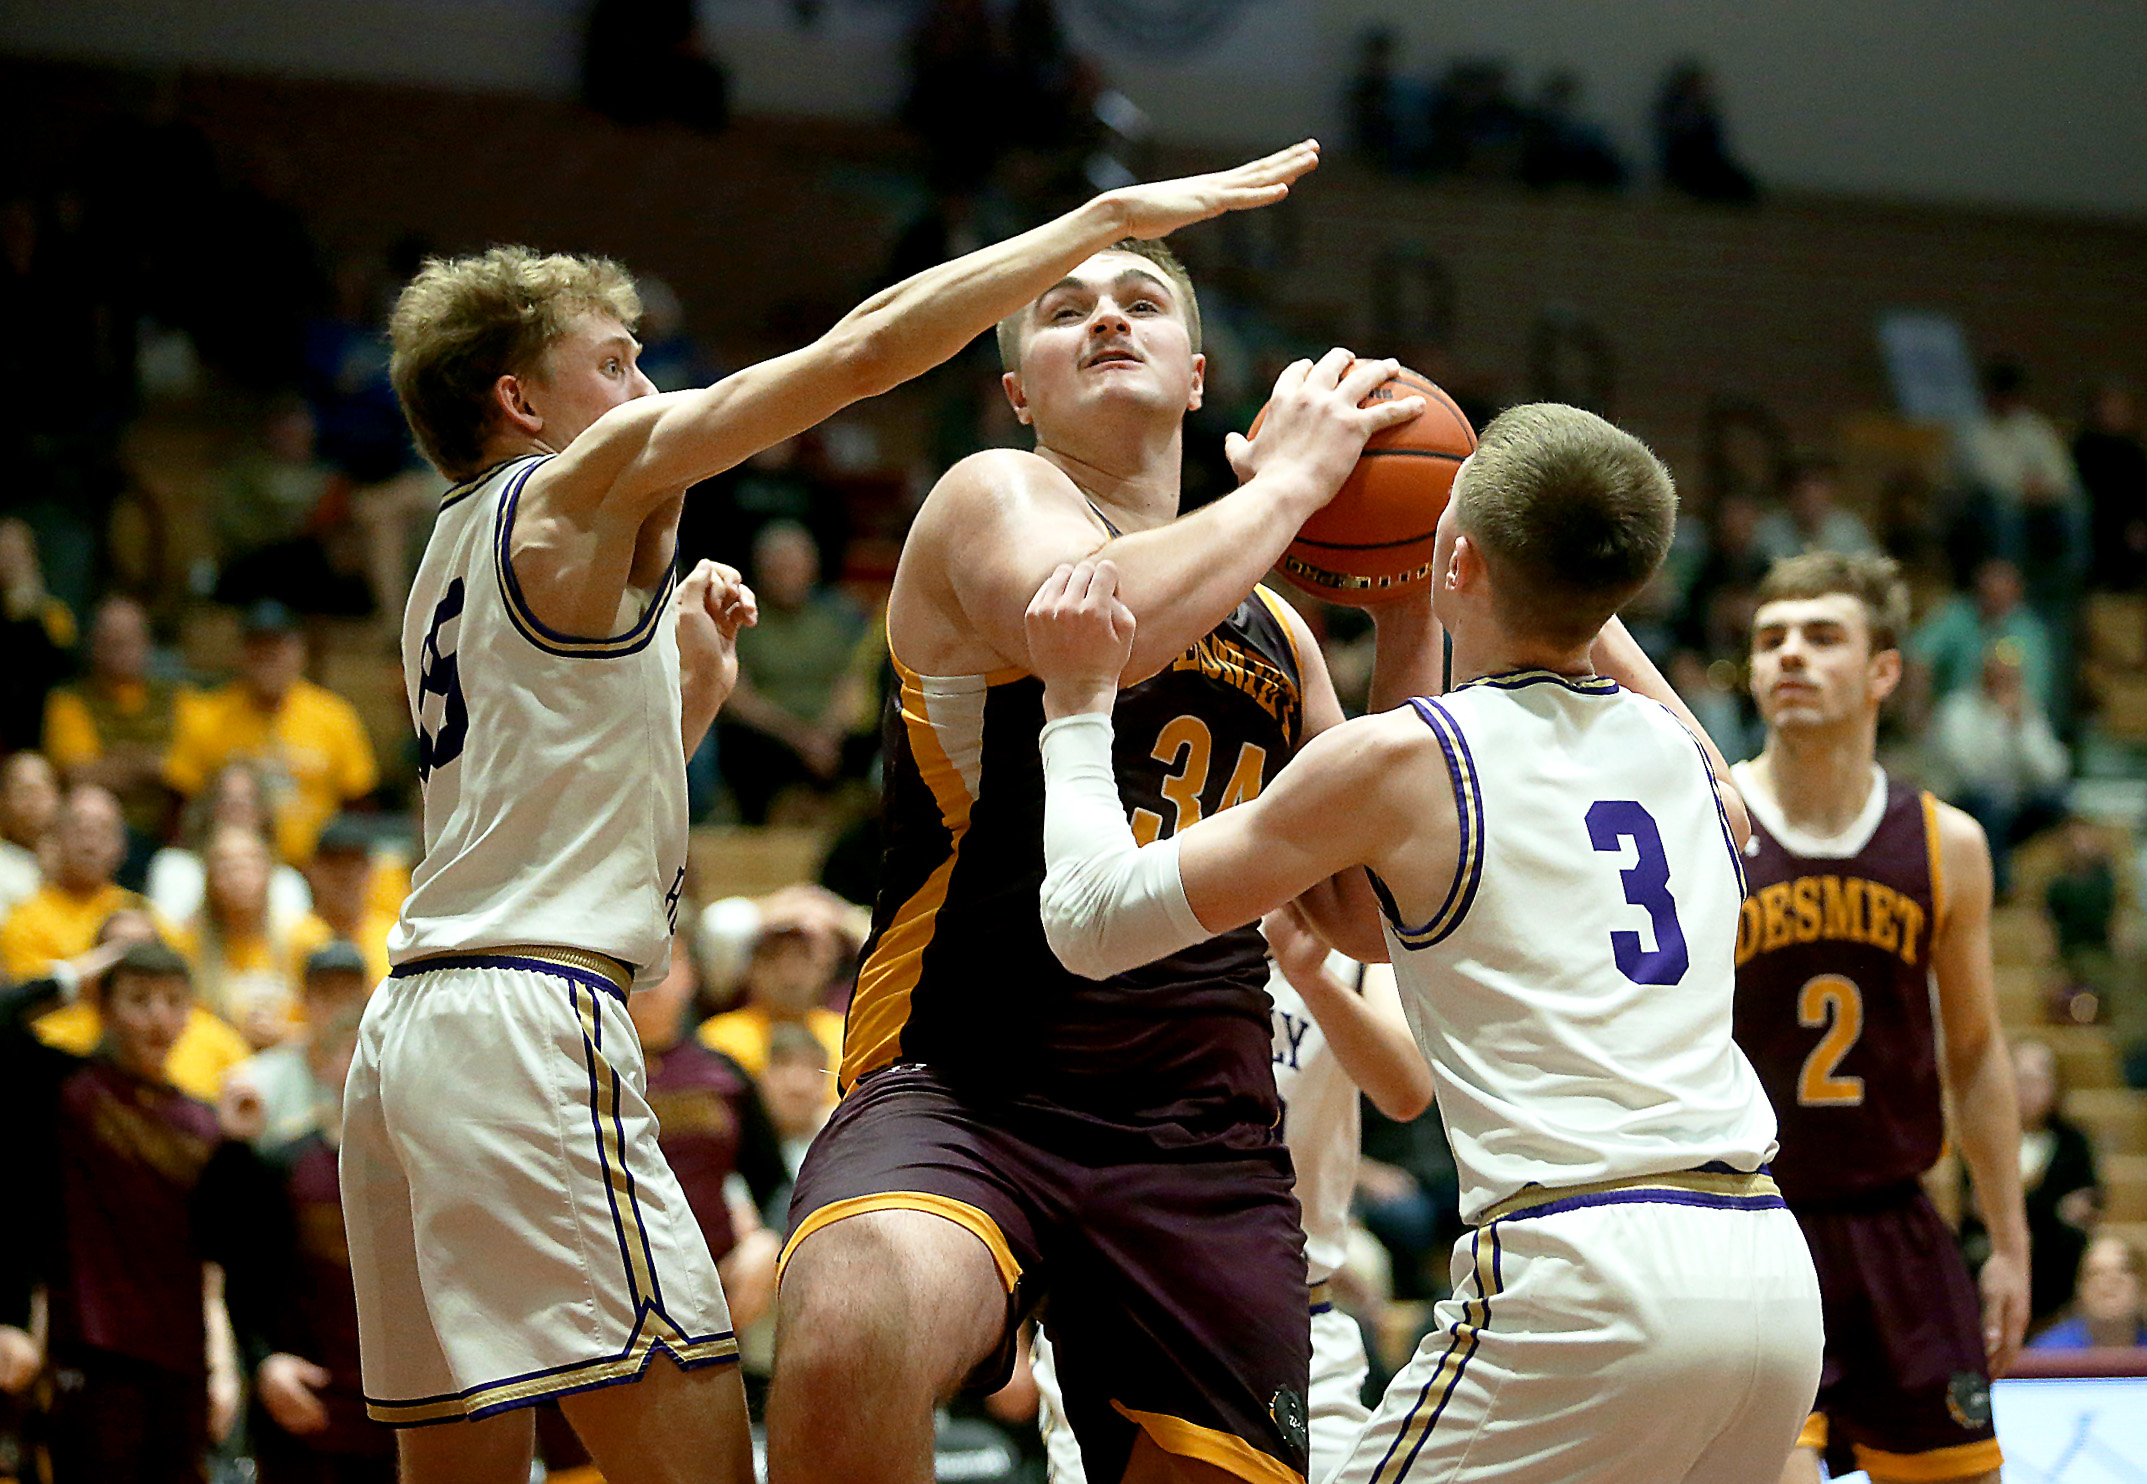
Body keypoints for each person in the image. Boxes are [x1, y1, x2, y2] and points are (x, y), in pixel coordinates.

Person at [341, 142, 1323, 1484]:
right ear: (520, 402)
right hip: (532, 1021)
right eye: (616, 366)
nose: (648, 394)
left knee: (452, 1468)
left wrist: (679, 703)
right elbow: (856, 355)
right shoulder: (574, 485)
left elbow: (541, 799)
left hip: (410, 1030)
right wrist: (1096, 219)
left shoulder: (447, 570)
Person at [1022, 402, 1823, 1482]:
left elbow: (1087, 922)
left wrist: (1075, 705)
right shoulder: (1689, 760)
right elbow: (1706, 784)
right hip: (1768, 1271)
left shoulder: (1405, 762)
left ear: (1457, 561)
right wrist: (1520, 534)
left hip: (1583, 1271)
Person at [769, 235, 1433, 1484]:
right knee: (851, 1315)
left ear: (1196, 376)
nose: (1106, 319)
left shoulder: (1278, 628)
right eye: (1063, 310)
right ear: (1019, 389)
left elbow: (1357, 909)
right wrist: (1293, 489)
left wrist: (1406, 611)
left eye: (1140, 302)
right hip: (971, 1077)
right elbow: (1092, 624)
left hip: (1198, 1128)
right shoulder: (989, 494)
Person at [1733, 549, 2028, 1484]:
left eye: (1822, 636)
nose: (1789, 655)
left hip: (1898, 1229)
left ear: (1883, 672)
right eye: (1770, 639)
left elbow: (1974, 1054)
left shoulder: (1947, 844)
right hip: (1754, 1224)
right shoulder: (1708, 822)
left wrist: (2008, 1244)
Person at [1031, 907, 1435, 1483]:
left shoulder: (1341, 924)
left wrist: (1311, 979)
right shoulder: (1129, 910)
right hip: (1128, 1309)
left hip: (1299, 1317)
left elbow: (1408, 1091)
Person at [0, 937, 264, 1484]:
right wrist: (71, 978)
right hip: (90, 1353)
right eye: (139, 1000)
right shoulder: (65, 1088)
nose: (158, 1017)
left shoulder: (205, 1123)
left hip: (181, 1362)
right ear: (104, 1007)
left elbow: (230, 1246)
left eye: (173, 1001)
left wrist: (239, 1149)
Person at [163, 600, 379, 865]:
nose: (268, 659)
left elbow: (358, 807)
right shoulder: (206, 717)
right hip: (231, 867)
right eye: (258, 648)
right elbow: (179, 807)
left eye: (277, 648)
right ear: (240, 653)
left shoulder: (335, 717)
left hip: (315, 865)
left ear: (300, 651)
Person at [43, 593, 184, 855]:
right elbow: (78, 774)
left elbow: (192, 769)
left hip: (167, 837)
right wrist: (151, 765)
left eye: (130, 639)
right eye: (111, 640)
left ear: (148, 643)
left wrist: (117, 762)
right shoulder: (70, 700)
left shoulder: (177, 698)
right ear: (93, 644)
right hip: (93, 837)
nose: (121, 648)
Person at [2028, 1234, 2147, 1350]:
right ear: (2080, 1288)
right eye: (2096, 1273)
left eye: (2123, 1271)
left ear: (2141, 1285)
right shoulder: (2048, 1352)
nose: (2109, 1283)